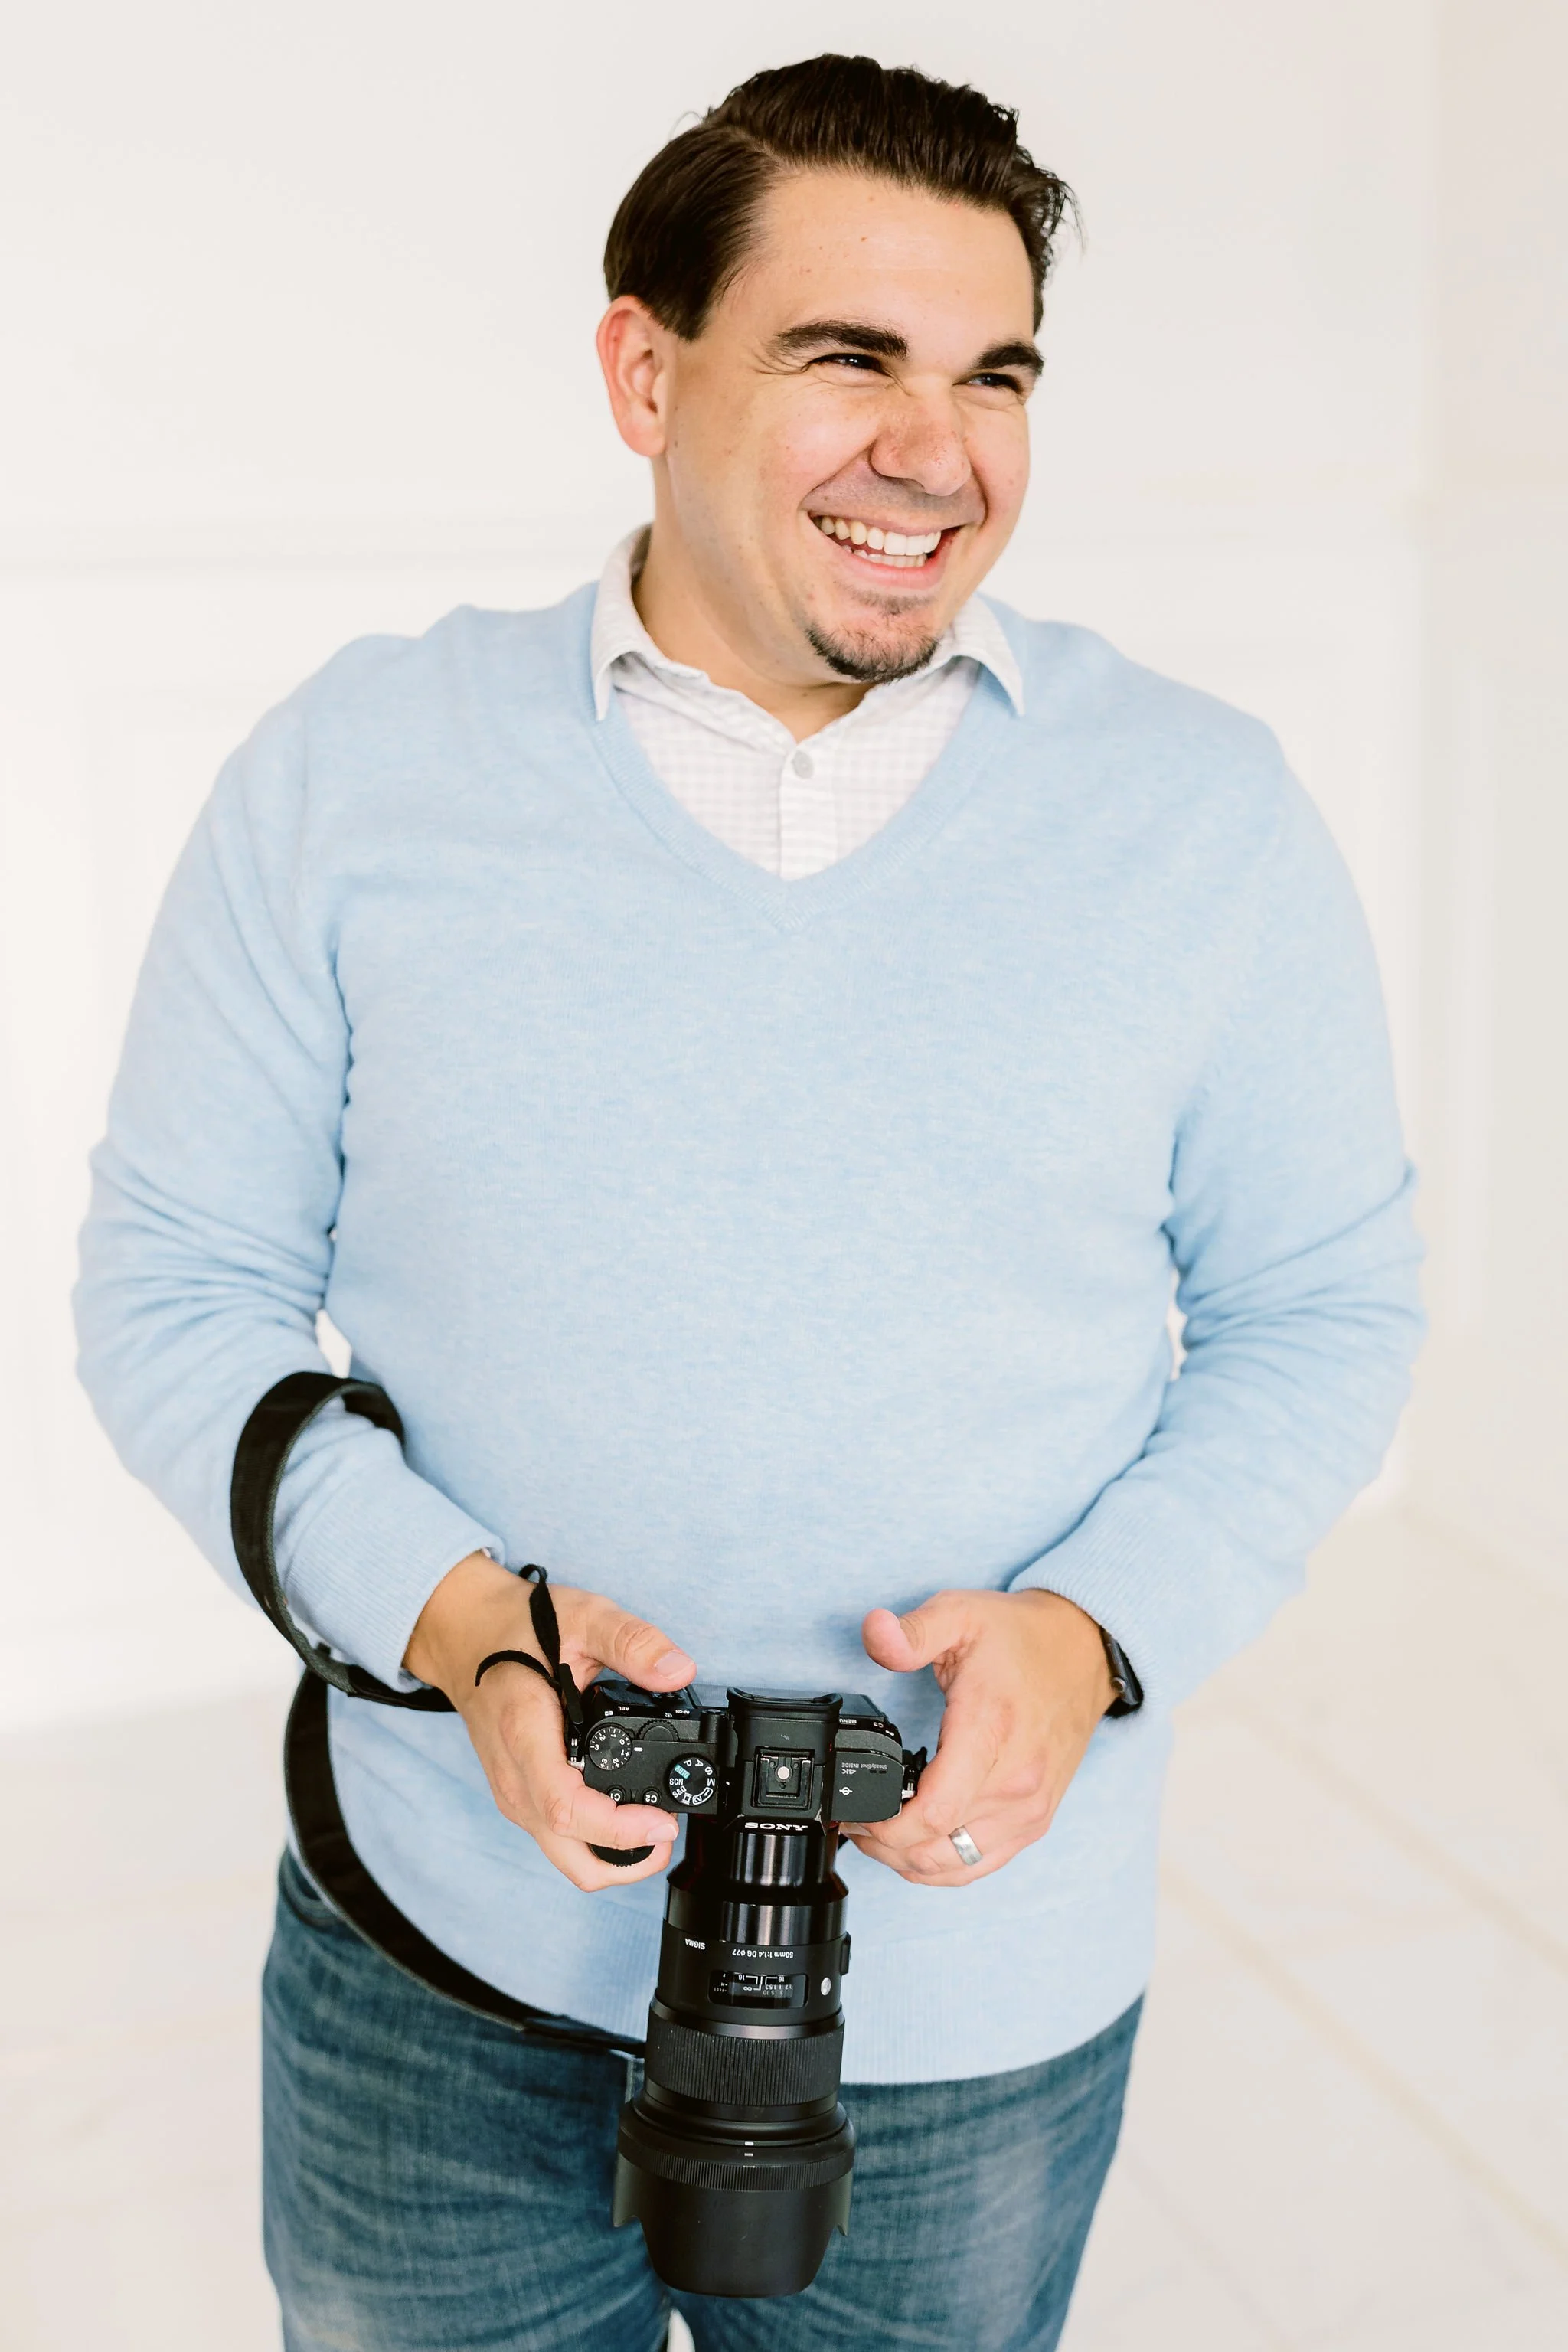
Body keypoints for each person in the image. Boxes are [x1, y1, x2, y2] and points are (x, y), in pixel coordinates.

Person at [74, 52, 1423, 2352]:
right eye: (849, 360)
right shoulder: (354, 765)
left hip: (971, 2006)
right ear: (643, 366)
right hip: (439, 1963)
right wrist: (461, 1625)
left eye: (994, 374)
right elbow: (177, 1287)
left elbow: (1324, 1312)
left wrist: (1096, 1640)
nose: (942, 452)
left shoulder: (1205, 813)